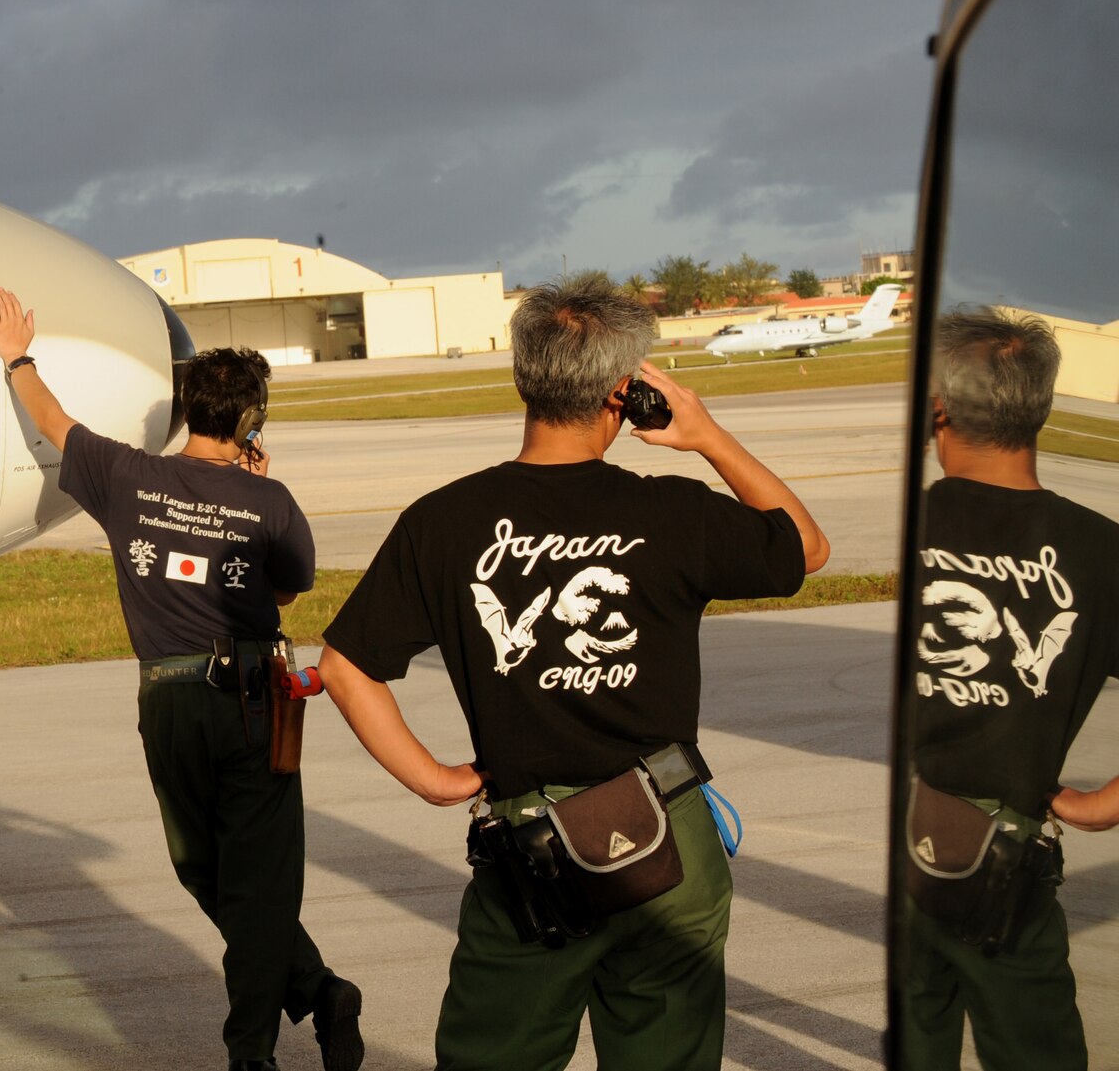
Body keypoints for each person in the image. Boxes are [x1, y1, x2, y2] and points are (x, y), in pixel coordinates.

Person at [318, 274, 828, 1071]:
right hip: (667, 837)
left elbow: (345, 667)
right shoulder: (673, 510)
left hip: (533, 852)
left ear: (524, 376)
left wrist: (435, 778)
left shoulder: (443, 520)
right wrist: (706, 434)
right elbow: (806, 545)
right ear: (624, 393)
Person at [0, 287, 363, 1071]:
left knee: (205, 868)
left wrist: (18, 356)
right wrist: (258, 492)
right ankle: (315, 997)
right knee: (243, 881)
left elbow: (55, 422)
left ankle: (258, 1044)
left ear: (187, 411)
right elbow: (287, 592)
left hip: (167, 698)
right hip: (250, 703)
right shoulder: (270, 500)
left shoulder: (126, 476)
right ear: (251, 423)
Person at [902, 308, 1119, 1070]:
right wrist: (1100, 804)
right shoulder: (1100, 548)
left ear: (939, 410)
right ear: (1042, 408)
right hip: (1008, 860)